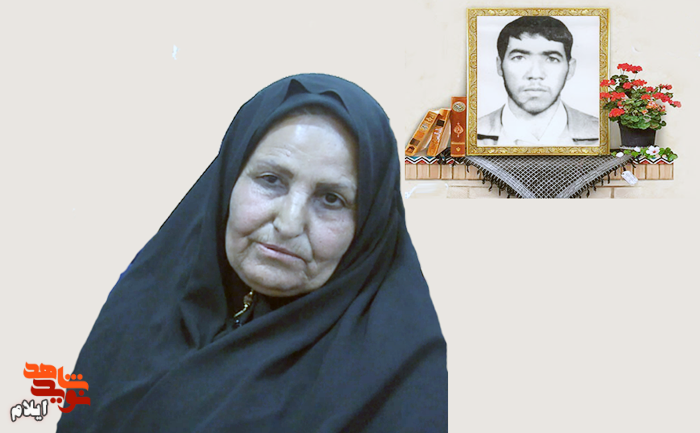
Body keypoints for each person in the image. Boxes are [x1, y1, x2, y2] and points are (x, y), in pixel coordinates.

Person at [56, 74, 447, 432]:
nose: (289, 222)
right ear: (229, 179)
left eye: (331, 198)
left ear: (369, 223)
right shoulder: (148, 300)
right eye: (271, 180)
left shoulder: (396, 372)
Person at [478, 16, 599, 146]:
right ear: (499, 66)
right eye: (519, 58)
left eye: (552, 59)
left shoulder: (601, 134)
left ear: (570, 68)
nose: (535, 74)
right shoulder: (470, 135)